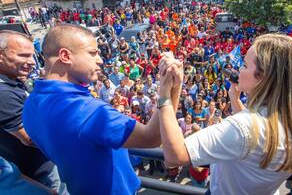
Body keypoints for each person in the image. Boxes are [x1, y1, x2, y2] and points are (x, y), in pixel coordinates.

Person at [22, 25, 182, 195]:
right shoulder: (88, 111)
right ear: (65, 56)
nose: (100, 60)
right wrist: (172, 86)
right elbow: (153, 137)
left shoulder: (30, 103)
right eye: (93, 53)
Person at [158, 34, 292, 194]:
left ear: (263, 78)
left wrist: (165, 94)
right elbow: (254, 141)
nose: (239, 69)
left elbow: (174, 156)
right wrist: (234, 98)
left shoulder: (241, 127)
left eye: (245, 65)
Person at [0, 30, 62, 192]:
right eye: (23, 55)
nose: (32, 62)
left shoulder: (11, 81)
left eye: (32, 55)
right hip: (40, 172)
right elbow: (30, 138)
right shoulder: (3, 93)